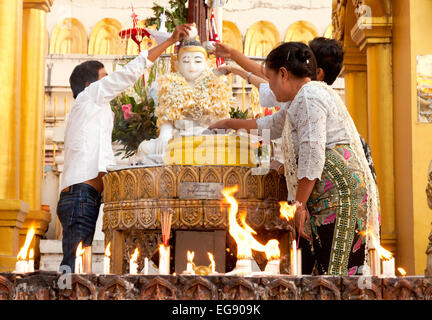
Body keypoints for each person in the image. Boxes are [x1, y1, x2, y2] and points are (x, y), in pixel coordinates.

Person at [209, 42, 380, 275]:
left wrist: (298, 205)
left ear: (283, 74)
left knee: (336, 274)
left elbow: (313, 152)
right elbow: (270, 125)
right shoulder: (299, 100)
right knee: (323, 269)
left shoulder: (310, 96)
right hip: (325, 194)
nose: (270, 87)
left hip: (338, 195)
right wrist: (227, 123)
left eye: (270, 80)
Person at [57, 24, 192, 272]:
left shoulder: (93, 109)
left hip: (86, 196)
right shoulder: (88, 98)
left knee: (80, 264)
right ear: (90, 85)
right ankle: (65, 294)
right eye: (104, 78)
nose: (108, 81)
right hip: (79, 197)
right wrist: (169, 41)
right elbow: (128, 74)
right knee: (72, 267)